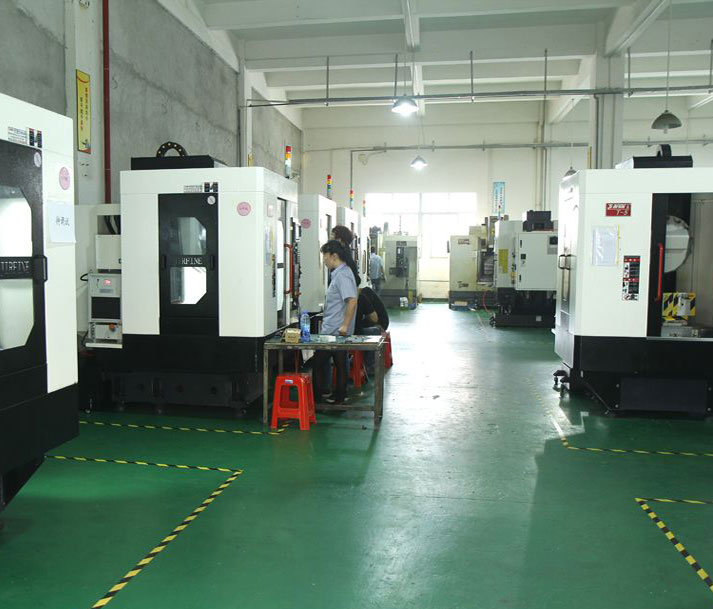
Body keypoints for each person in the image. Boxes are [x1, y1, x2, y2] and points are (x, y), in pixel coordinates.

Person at [312, 240, 358, 404]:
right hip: (335, 329)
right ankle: (339, 396)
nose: (324, 260)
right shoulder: (340, 273)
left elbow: (352, 300)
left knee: (318, 364)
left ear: (334, 256)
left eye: (325, 256)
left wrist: (345, 325)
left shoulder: (342, 275)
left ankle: (316, 400)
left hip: (334, 331)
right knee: (339, 363)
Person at [355, 286, 389, 373]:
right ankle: (368, 364)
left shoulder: (365, 294)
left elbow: (374, 318)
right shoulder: (359, 296)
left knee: (372, 332)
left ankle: (367, 363)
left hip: (380, 323)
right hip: (368, 324)